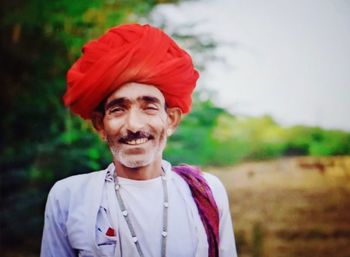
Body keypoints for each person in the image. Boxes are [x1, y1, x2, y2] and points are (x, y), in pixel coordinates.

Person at [40, 23, 237, 257]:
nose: (133, 125)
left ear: (171, 120)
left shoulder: (206, 191)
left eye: (149, 107)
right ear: (100, 125)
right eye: (118, 109)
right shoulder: (69, 197)